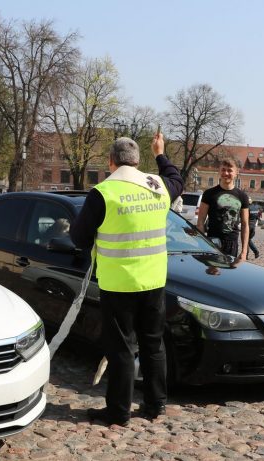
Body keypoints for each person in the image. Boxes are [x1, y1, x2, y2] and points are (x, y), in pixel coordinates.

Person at [70, 133, 183, 425]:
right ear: (137, 161)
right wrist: (160, 153)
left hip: (118, 283)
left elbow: (80, 238)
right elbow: (176, 178)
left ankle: (118, 411)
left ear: (111, 162)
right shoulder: (157, 185)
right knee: (153, 344)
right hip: (154, 280)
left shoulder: (104, 192)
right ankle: (155, 404)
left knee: (121, 348)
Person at [196, 159, 250, 261]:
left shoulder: (242, 196)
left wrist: (244, 251)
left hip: (232, 244)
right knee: (212, 274)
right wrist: (202, 245)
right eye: (223, 170)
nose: (226, 173)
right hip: (212, 241)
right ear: (219, 171)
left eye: (229, 170)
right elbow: (200, 222)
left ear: (236, 172)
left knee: (229, 275)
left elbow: (245, 225)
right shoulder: (209, 194)